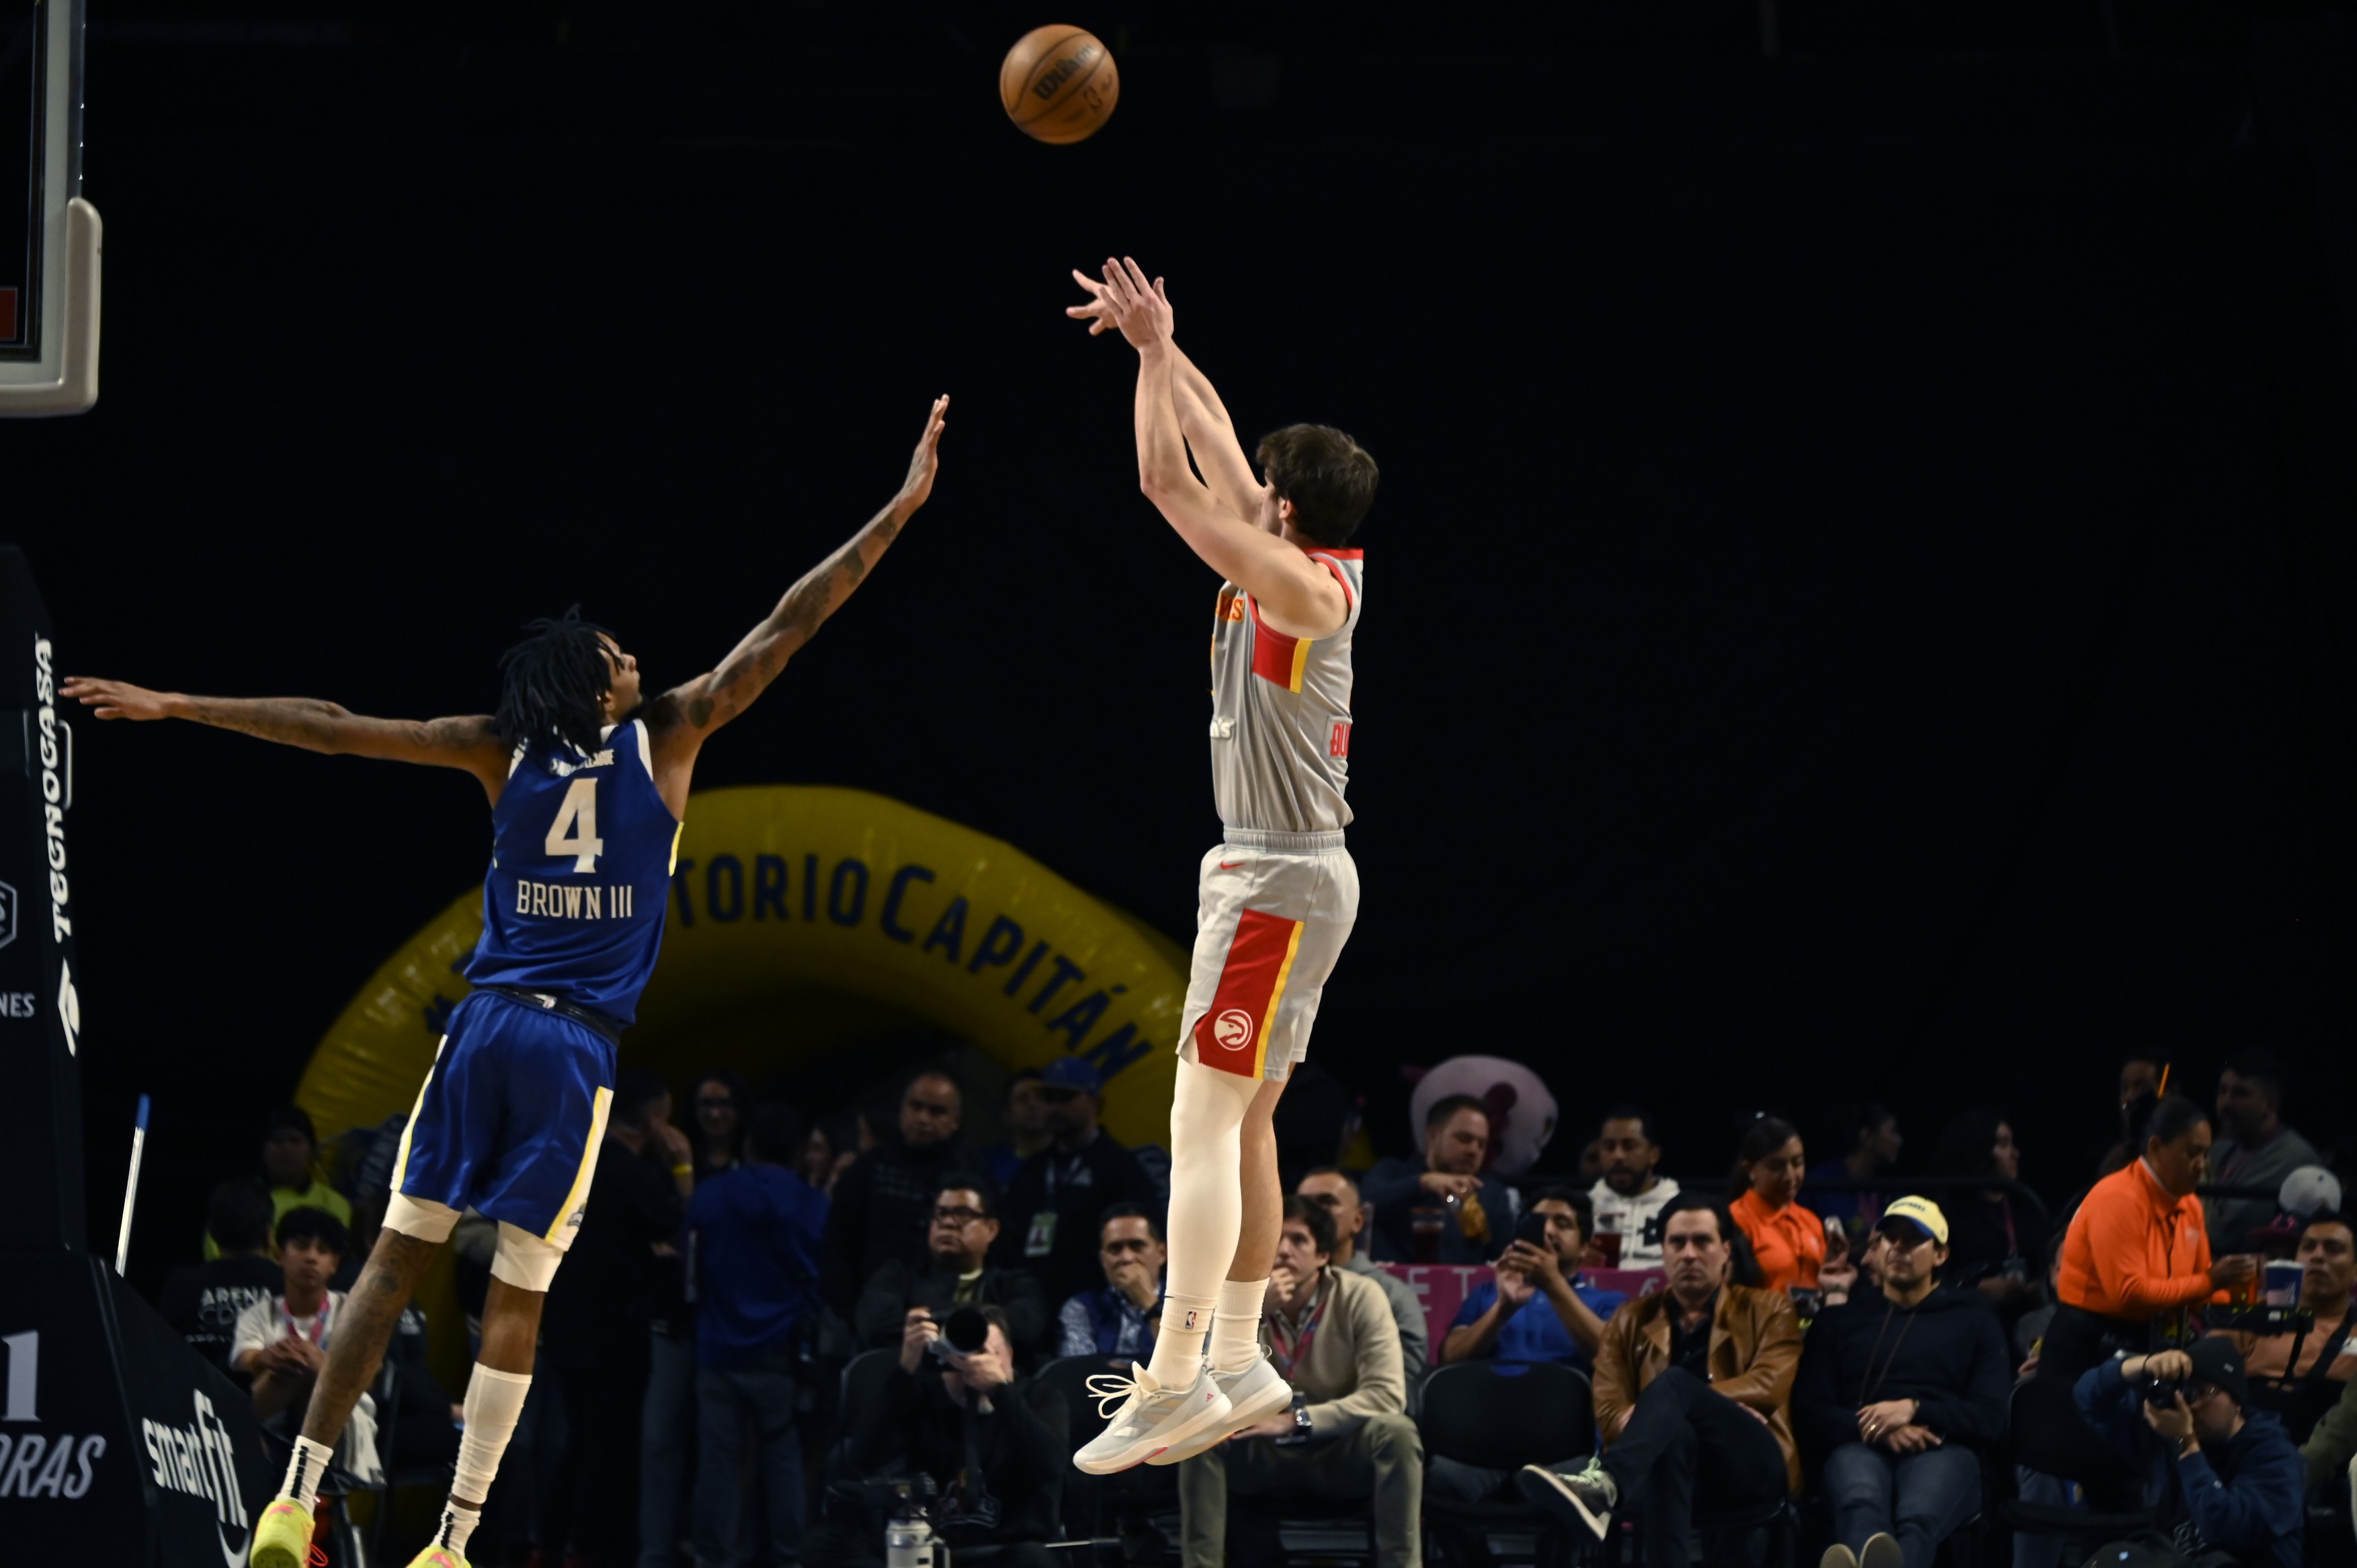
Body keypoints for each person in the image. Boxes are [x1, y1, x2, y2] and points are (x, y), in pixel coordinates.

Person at [70, 395, 947, 1568]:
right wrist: (901, 504)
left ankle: (293, 1496)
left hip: (481, 1027)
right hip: (573, 1047)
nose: (639, 659)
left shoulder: (496, 744)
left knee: (393, 1256)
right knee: (518, 1295)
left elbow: (331, 727)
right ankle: (457, 1536)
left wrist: (181, 704)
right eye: (621, 654)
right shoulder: (671, 730)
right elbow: (794, 619)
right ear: (595, 687)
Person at [1062, 255, 1376, 1473]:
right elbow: (1218, 443)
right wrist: (1163, 339)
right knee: (1246, 1131)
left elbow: (1159, 475)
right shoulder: (1299, 552)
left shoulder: (1295, 587)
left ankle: (1174, 1373)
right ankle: (1242, 1358)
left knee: (1195, 1123)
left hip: (1273, 881)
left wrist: (1146, 361)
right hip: (1292, 875)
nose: (1247, 489)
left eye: (1265, 488)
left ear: (1287, 512)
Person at [1516, 1197, 1803, 1567]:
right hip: (1662, 1466)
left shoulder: (1769, 1309)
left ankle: (1604, 1485)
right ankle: (1613, 1486)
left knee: (1675, 1386)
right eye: (1677, 1243)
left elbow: (1768, 1385)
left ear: (1726, 1250)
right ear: (1663, 1252)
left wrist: (1665, 1406)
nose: (1689, 1254)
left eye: (1702, 1242)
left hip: (1749, 1463)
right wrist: (1662, 1418)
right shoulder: (1629, 1318)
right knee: (1674, 1435)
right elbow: (1608, 1408)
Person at [1172, 1198, 1421, 1568]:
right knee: (1198, 1431)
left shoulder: (1361, 1297)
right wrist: (1255, 1314)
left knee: (1397, 1431)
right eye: (1275, 1239)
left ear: (1323, 1256)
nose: (1284, 1251)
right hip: (1262, 1455)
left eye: (1298, 1240)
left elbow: (1387, 1396)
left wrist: (1298, 1421)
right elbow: (1208, 1392)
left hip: (1337, 1452)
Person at [1792, 1198, 2009, 1568]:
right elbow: (1809, 1410)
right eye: (1889, 1238)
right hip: (1857, 1442)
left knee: (1918, 1515)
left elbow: (1990, 1417)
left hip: (1942, 1446)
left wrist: (1915, 1409)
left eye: (1914, 1239)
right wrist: (1878, 1428)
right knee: (1862, 1504)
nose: (1898, 1247)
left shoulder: (1974, 1319)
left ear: (1940, 1255)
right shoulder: (1839, 1322)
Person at [541, 1066, 692, 1568]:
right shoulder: (633, 1173)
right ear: (653, 1119)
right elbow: (680, 1222)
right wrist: (682, 1168)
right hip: (615, 1334)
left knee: (576, 1440)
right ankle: (586, 1550)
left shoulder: (572, 1164)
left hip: (564, 1327)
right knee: (606, 1450)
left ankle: (548, 1542)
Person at [805, 1305, 1069, 1568]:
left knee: (1034, 1560)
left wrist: (999, 1390)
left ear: (1010, 1357)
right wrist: (905, 1369)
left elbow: (1052, 1467)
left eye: (987, 1354)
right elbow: (862, 1458)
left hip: (1004, 1552)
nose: (971, 1368)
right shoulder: (927, 1397)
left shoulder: (1039, 1398)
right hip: (927, 1550)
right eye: (961, 1358)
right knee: (823, 1544)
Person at [690, 1104, 831, 1568]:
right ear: (798, 1153)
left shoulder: (710, 1195)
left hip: (716, 1345)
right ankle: (789, 1558)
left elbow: (689, 1273)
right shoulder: (812, 1204)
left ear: (749, 1143)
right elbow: (822, 1278)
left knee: (719, 1459)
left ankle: (716, 1557)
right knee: (784, 1457)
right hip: (782, 1351)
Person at [2048, 1094, 2258, 1387]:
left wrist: (2251, 1299)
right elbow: (2129, 1292)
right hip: (2092, 1344)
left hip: (2159, 1340)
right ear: (2156, 1148)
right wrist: (2211, 1281)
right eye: (2192, 1153)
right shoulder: (2119, 1197)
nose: (2201, 1165)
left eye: (2206, 1154)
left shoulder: (2191, 1205)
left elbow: (2196, 1292)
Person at [2074, 1339, 2304, 1568]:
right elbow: (2087, 1397)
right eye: (2186, 1392)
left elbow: (2226, 1529)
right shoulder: (2167, 1433)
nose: (2191, 1405)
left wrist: (2187, 1444)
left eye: (2204, 1392)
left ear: (2236, 1402)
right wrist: (2143, 1364)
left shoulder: (2276, 1457)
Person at [994, 1057, 1159, 1311]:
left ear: (1096, 1103)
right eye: (1048, 1098)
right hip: (1037, 1307)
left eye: (1066, 1098)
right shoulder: (1031, 1173)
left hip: (1102, 1309)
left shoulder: (1121, 1169)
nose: (1055, 1108)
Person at [231, 1207, 381, 1485]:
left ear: (335, 1263)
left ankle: (232, 1432)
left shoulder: (354, 1312)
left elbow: (369, 1375)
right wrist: (265, 1358)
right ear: (279, 1255)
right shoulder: (258, 1313)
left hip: (342, 1430)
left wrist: (319, 1364)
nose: (311, 1257)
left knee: (302, 1369)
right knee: (293, 1367)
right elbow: (243, 1359)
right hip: (273, 1424)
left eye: (323, 1251)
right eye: (301, 1247)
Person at [820, 1068, 968, 1321]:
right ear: (902, 1110)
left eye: (936, 1111)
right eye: (916, 1107)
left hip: (944, 1314)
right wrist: (852, 1311)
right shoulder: (868, 1169)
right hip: (870, 1313)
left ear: (955, 1121)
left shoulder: (970, 1178)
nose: (923, 1118)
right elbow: (838, 1244)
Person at [858, 1175, 1050, 1360]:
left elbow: (1026, 1327)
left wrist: (930, 1325)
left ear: (992, 1230)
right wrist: (976, 1325)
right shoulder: (898, 1276)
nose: (948, 1223)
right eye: (941, 1214)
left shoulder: (1015, 1284)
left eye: (963, 1214)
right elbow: (875, 1325)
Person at [1441, 1188, 1627, 1371]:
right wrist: (1502, 1310)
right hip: (1491, 1399)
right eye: (1538, 1222)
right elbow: (1449, 1360)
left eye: (1562, 1224)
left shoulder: (1609, 1301)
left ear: (1584, 1248)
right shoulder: (1487, 1293)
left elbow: (1615, 1359)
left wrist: (1554, 1285)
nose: (1548, 1231)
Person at [2212, 1210, 2356, 1444]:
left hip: (2326, 1462)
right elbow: (2207, 1366)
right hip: (2244, 1450)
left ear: (2355, 1270)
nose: (2318, 1256)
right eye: (2309, 1247)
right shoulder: (2256, 1317)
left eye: (2333, 1249)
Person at [1296, 1167, 1429, 1387]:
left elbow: (1405, 1386)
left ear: (1358, 1220)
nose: (1313, 1214)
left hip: (1359, 1414)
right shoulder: (1275, 1291)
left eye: (1327, 1202)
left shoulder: (1391, 1293)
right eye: (1304, 1204)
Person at [1928, 1109, 2051, 1330]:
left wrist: (2034, 1287)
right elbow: (1936, 1280)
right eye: (2003, 1144)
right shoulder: (1949, 1209)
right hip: (1967, 1318)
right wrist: (1976, 1290)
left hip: (2024, 1317)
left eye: (2012, 1144)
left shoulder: (2024, 1203)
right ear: (1980, 1150)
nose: (2015, 1154)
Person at [1361, 1095, 1515, 1267]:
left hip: (1463, 1290)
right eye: (1464, 1139)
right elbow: (1364, 1204)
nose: (1474, 1150)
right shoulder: (1393, 1172)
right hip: (1392, 1287)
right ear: (1433, 1135)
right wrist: (1423, 1182)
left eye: (1482, 1144)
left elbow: (1504, 1256)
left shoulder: (1490, 1193)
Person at [161, 1180, 285, 1376]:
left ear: (212, 1231)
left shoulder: (180, 1285)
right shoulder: (289, 1285)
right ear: (269, 1232)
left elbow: (162, 1357)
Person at [2208, 1050, 2324, 1258]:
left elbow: (2223, 1231)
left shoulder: (2292, 1158)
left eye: (2240, 1094)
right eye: (2222, 1091)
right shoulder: (2221, 1149)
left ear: (2270, 1104)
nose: (2225, 1103)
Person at [205, 1106, 356, 1262]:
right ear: (263, 1150)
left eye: (295, 1141)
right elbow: (216, 1250)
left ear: (312, 1151)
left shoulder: (337, 1204)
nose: (286, 1149)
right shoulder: (239, 1199)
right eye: (277, 1141)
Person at [1729, 1116, 1825, 1301]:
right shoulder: (1736, 1219)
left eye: (1797, 1163)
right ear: (1749, 1169)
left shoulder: (1810, 1220)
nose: (1790, 1176)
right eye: (1776, 1166)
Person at [1060, 1204, 1167, 1358]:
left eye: (1137, 1246)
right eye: (1115, 1249)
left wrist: (1150, 1304)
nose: (1126, 1258)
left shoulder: (1188, 1305)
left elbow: (1189, 1370)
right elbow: (1078, 1373)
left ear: (1162, 1253)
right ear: (1103, 1259)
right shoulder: (1081, 1309)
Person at [1591, 1106, 1682, 1270]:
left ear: (1653, 1155)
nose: (1618, 1156)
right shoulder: (1582, 1209)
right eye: (1609, 1147)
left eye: (1629, 1146)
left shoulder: (1681, 1209)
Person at [1809, 1105, 1901, 1246]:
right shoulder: (1822, 1181)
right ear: (1867, 1136)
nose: (1899, 1141)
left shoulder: (1889, 1189)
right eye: (1892, 1132)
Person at [2095, 1057, 2164, 1178]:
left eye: (2141, 1087)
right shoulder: (2114, 1161)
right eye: (2125, 1088)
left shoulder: (2191, 1154)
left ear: (2171, 1092)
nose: (2129, 1097)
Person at [985, 1068, 1053, 1190]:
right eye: (1023, 1099)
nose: (1033, 1104)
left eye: (1041, 1097)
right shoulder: (988, 1164)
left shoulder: (1070, 1163)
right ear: (1007, 1115)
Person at [690, 1069, 750, 1180]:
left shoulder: (754, 1160)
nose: (715, 1114)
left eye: (724, 1103)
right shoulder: (684, 1158)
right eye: (706, 1104)